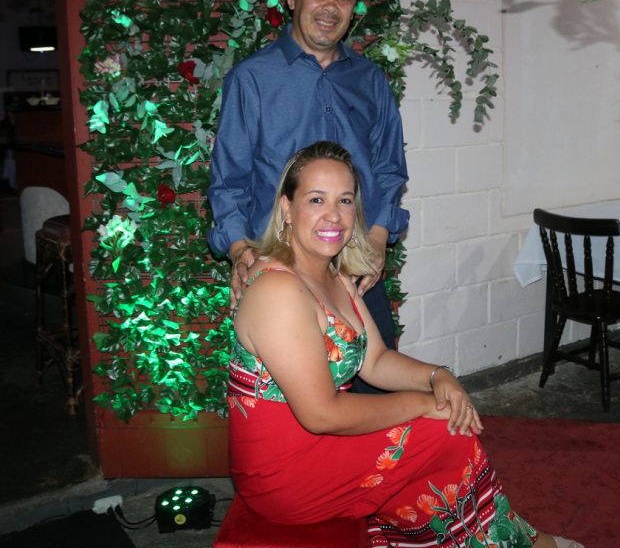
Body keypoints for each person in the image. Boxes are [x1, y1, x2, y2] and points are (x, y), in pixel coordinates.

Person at [227, 141, 584, 548]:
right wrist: (422, 404)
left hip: (319, 445)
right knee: (443, 434)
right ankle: (520, 543)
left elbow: (376, 360)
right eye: (316, 199)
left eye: (345, 200)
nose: (334, 215)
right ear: (287, 209)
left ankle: (493, 538)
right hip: (283, 475)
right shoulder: (278, 290)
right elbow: (321, 414)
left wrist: (437, 377)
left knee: (444, 432)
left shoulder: (334, 276)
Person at [208, 0, 408, 387]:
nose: (331, 6)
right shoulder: (252, 79)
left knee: (376, 393)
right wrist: (240, 252)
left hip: (356, 270)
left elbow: (389, 169)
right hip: (282, 272)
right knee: (303, 408)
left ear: (354, 6)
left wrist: (377, 239)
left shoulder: (370, 80)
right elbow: (229, 181)